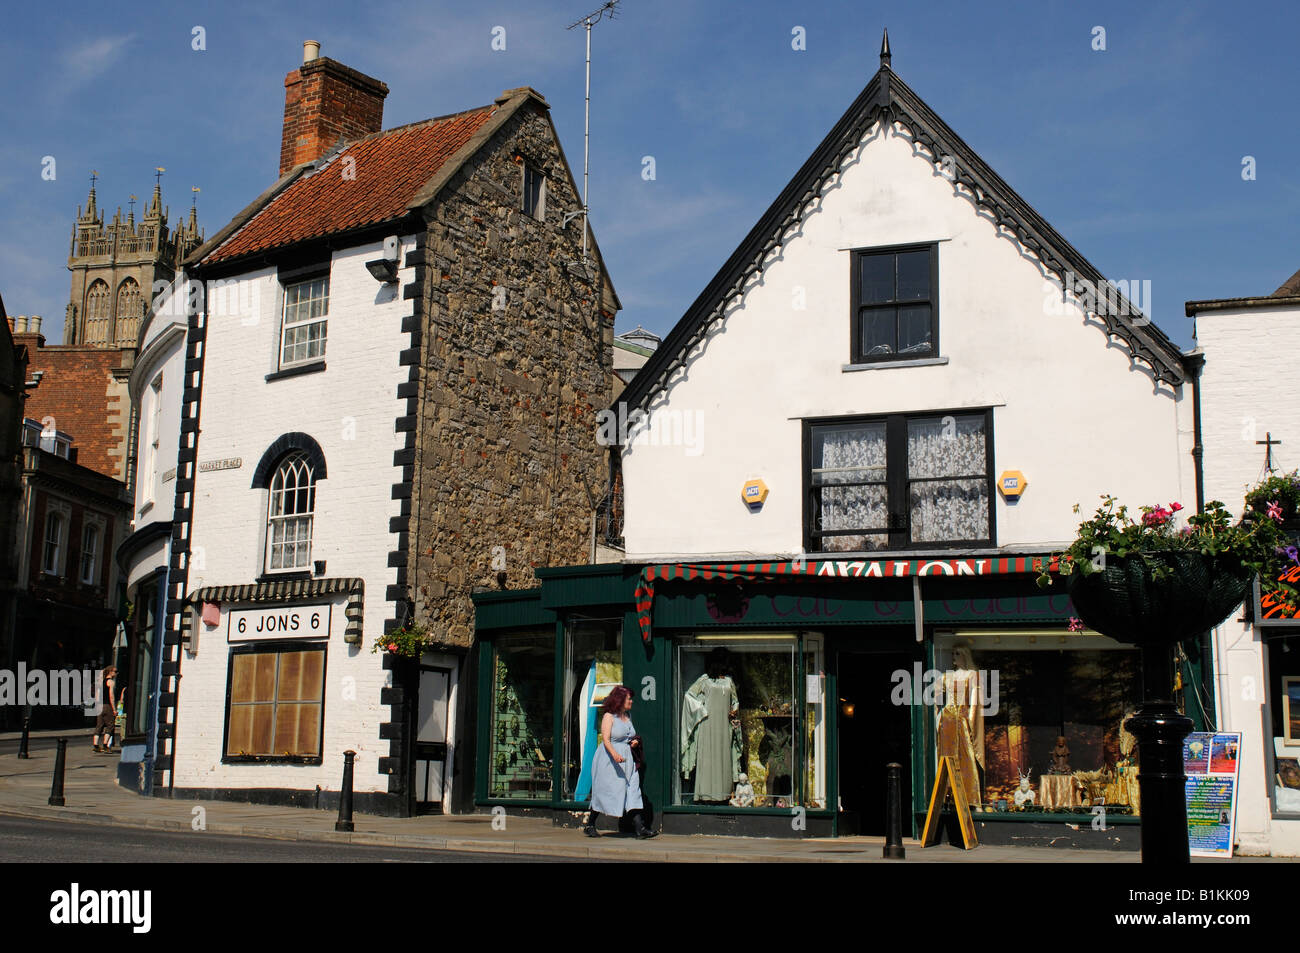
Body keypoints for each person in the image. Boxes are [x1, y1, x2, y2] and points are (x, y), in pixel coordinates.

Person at [585, 685, 657, 839]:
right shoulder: (609, 716)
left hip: (627, 759)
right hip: (609, 760)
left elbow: (629, 736)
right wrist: (615, 755)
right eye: (628, 699)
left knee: (633, 791)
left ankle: (640, 829)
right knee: (605, 791)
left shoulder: (627, 716)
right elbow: (605, 739)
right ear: (620, 700)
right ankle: (590, 824)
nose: (631, 701)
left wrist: (634, 743)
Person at [92, 666, 118, 753]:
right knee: (110, 725)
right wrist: (114, 709)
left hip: (99, 705)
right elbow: (111, 696)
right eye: (115, 671)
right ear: (110, 672)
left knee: (99, 725)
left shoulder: (100, 682)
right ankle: (105, 745)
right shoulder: (111, 682)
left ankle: (95, 745)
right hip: (107, 706)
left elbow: (96, 695)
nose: (116, 673)